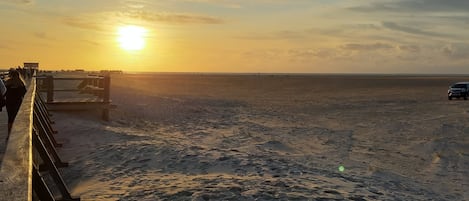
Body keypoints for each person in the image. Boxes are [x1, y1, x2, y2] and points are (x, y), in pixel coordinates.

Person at [5, 69, 27, 136]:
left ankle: (9, 133)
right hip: (17, 102)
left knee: (10, 118)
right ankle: (16, 133)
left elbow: (4, 93)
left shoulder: (7, 83)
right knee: (16, 117)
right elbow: (24, 93)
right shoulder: (21, 84)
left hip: (9, 103)